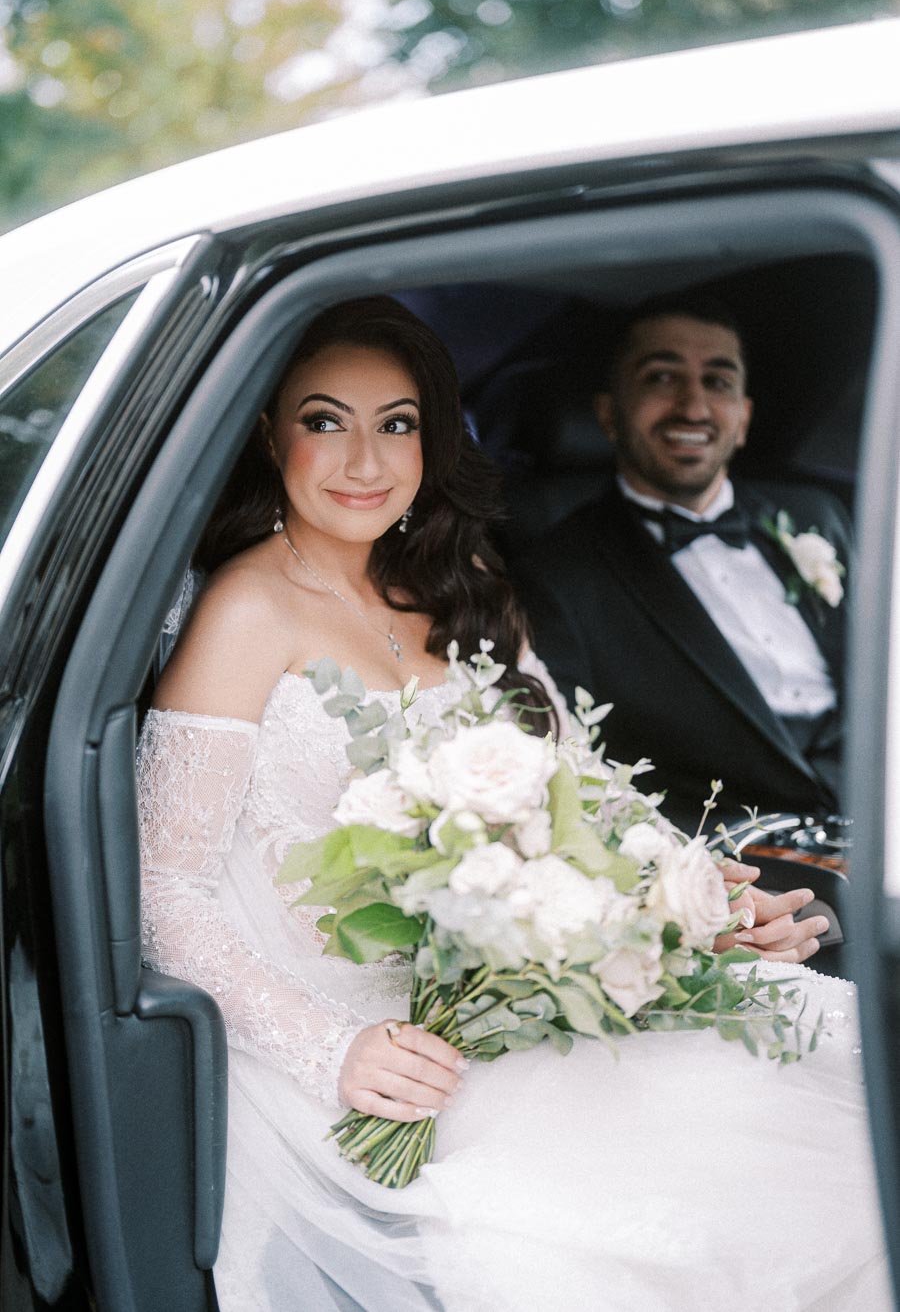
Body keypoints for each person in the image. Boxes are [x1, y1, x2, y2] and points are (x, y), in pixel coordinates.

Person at [137, 296, 887, 1311]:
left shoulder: (460, 581)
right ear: (272, 436)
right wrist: (332, 1050)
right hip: (369, 1040)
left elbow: (579, 786)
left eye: (396, 424)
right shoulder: (244, 609)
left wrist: (692, 897)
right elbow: (164, 885)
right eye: (326, 420)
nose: (365, 460)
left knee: (832, 1112)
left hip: (519, 993)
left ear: (433, 439)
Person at [515, 294, 850, 841]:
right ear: (608, 414)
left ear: (743, 418)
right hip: (730, 858)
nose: (693, 407)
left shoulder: (818, 517)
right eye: (662, 378)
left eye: (718, 382)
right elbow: (575, 772)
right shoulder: (555, 576)